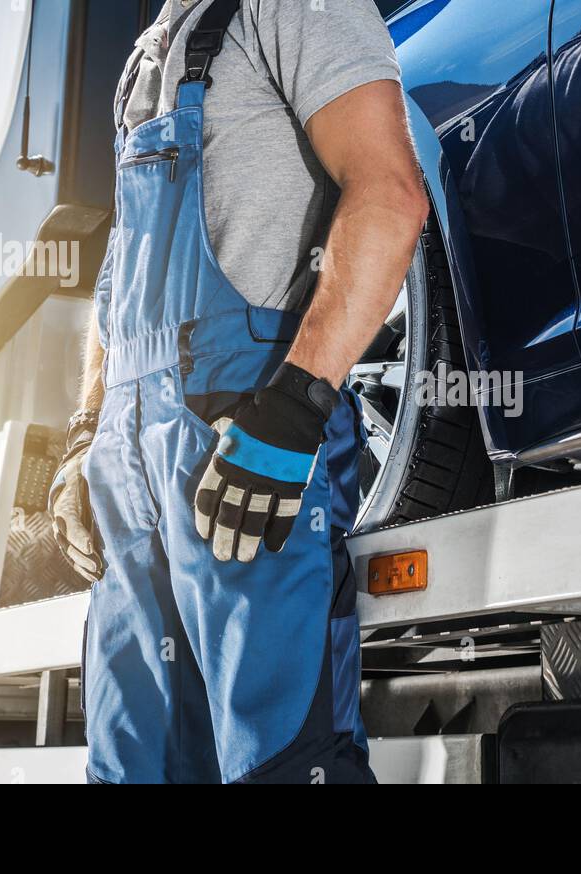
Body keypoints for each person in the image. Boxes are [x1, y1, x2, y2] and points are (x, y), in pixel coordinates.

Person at [46, 0, 427, 784]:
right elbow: (120, 266)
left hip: (244, 431)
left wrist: (297, 407)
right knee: (132, 768)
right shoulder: (151, 50)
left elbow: (389, 195)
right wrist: (88, 430)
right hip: (133, 456)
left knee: (281, 761)